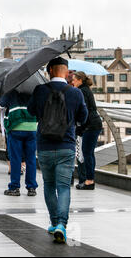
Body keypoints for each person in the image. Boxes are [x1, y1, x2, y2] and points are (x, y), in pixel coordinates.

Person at [27, 57, 88, 243]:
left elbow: (30, 111)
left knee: (49, 185)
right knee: (63, 187)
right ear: (66, 71)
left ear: (51, 70)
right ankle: (62, 224)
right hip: (66, 146)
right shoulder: (75, 93)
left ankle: (54, 223)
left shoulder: (40, 90)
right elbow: (84, 117)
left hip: (44, 146)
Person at [0, 90, 38, 196]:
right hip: (32, 127)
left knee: (15, 158)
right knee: (31, 159)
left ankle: (14, 187)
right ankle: (31, 188)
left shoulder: (11, 91)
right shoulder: (33, 91)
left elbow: (2, 104)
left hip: (15, 127)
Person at [71, 71, 103, 190]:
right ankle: (90, 179)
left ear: (80, 80)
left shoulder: (82, 91)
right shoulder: (86, 90)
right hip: (94, 124)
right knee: (90, 153)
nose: (72, 82)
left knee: (87, 153)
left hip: (90, 125)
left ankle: (89, 181)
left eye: (74, 80)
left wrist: (80, 128)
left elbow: (83, 111)